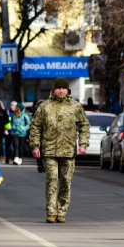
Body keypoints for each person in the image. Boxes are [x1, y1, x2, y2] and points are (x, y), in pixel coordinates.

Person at [29, 78, 89, 224]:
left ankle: (61, 211)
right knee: (52, 180)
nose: (61, 91)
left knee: (66, 181)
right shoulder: (45, 106)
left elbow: (84, 125)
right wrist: (35, 146)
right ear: (54, 90)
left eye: (64, 88)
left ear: (68, 90)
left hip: (68, 151)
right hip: (49, 150)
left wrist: (83, 144)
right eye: (58, 88)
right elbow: (35, 127)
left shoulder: (75, 107)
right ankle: (51, 212)